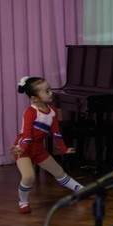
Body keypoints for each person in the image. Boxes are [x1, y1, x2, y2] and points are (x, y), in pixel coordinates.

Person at [10, 76, 84, 213]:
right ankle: (23, 202)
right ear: (35, 98)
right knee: (28, 176)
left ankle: (81, 190)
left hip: (38, 148)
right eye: (47, 91)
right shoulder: (30, 112)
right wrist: (22, 149)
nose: (51, 93)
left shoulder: (52, 111)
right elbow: (27, 135)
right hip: (23, 148)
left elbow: (56, 133)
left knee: (59, 172)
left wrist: (64, 149)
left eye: (49, 90)